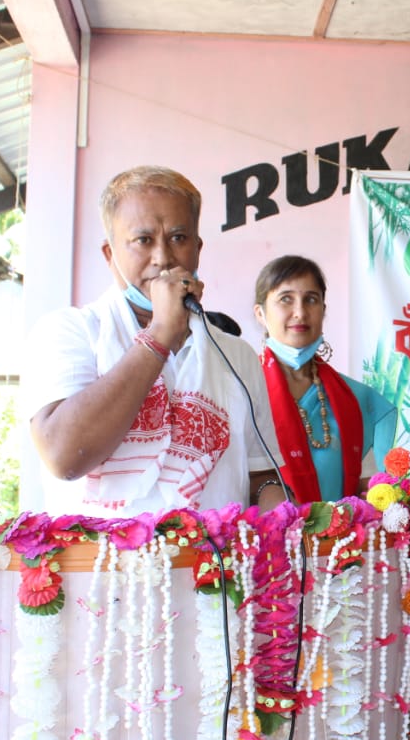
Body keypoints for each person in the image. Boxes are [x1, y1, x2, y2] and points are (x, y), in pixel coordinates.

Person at [23, 165, 288, 515]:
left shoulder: (236, 354)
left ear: (198, 248)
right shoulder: (70, 332)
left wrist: (285, 518)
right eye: (143, 240)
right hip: (100, 569)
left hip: (212, 570)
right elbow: (63, 456)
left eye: (178, 238)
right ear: (110, 253)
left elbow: (260, 474)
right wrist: (161, 334)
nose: (163, 258)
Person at [252, 254, 396, 503]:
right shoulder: (243, 390)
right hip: (263, 538)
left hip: (343, 539)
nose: (300, 312)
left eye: (311, 299)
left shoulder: (358, 399)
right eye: (286, 299)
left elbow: (370, 492)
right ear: (260, 313)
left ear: (323, 310)